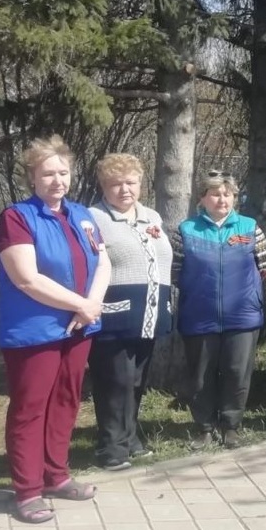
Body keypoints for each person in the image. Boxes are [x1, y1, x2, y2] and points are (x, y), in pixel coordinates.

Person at [0, 135, 112, 523]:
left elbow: (103, 263)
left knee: (66, 401)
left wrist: (90, 306)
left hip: (79, 328)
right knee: (30, 409)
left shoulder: (81, 214)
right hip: (35, 332)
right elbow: (26, 279)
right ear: (32, 177)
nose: (57, 180)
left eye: (63, 172)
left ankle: (56, 475)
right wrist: (82, 304)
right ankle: (27, 490)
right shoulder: (16, 218)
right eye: (48, 174)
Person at [172, 171, 266, 449]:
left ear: (234, 198)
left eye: (227, 194)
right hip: (199, 316)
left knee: (237, 372)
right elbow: (176, 271)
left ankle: (231, 426)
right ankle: (204, 428)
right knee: (201, 374)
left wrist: (248, 296)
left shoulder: (249, 227)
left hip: (243, 316)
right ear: (202, 198)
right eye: (215, 194)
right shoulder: (186, 230)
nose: (222, 199)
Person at [88, 153, 174, 471]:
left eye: (131, 182)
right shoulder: (93, 218)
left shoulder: (152, 216)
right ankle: (111, 447)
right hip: (113, 315)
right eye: (116, 183)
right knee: (115, 381)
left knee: (136, 380)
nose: (125, 189)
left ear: (141, 183)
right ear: (103, 186)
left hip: (148, 314)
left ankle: (130, 438)